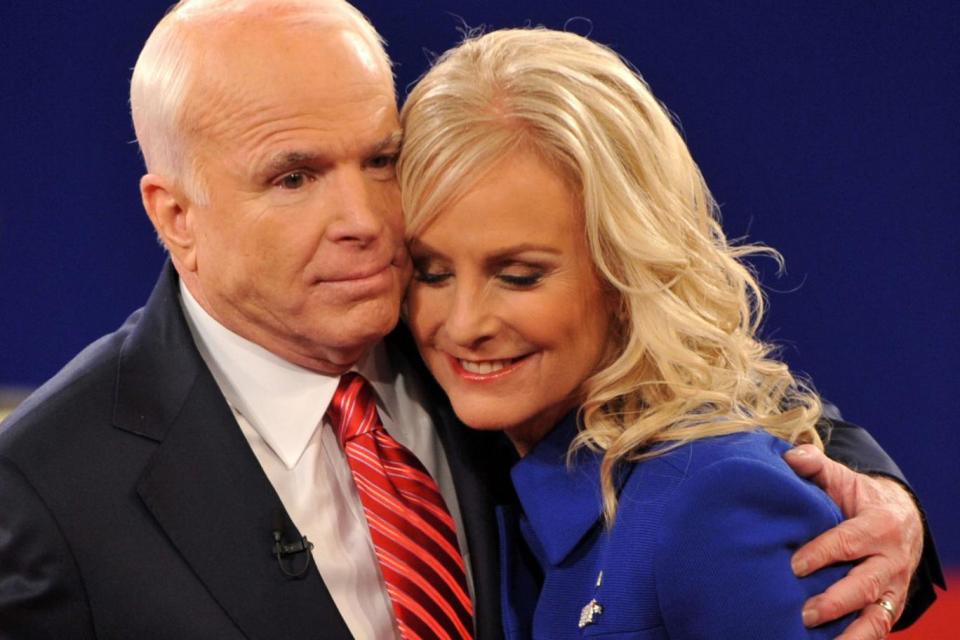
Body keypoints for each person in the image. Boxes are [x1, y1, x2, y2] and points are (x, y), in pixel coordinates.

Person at [0, 2, 940, 639]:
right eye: (294, 177)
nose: (366, 221)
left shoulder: (448, 342)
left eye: (378, 159)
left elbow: (717, 429)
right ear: (175, 215)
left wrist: (878, 499)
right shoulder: (45, 490)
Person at [397, 27, 944, 639]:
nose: (465, 323)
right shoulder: (434, 424)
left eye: (520, 276)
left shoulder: (709, 502)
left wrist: (888, 496)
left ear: (628, 273)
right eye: (431, 272)